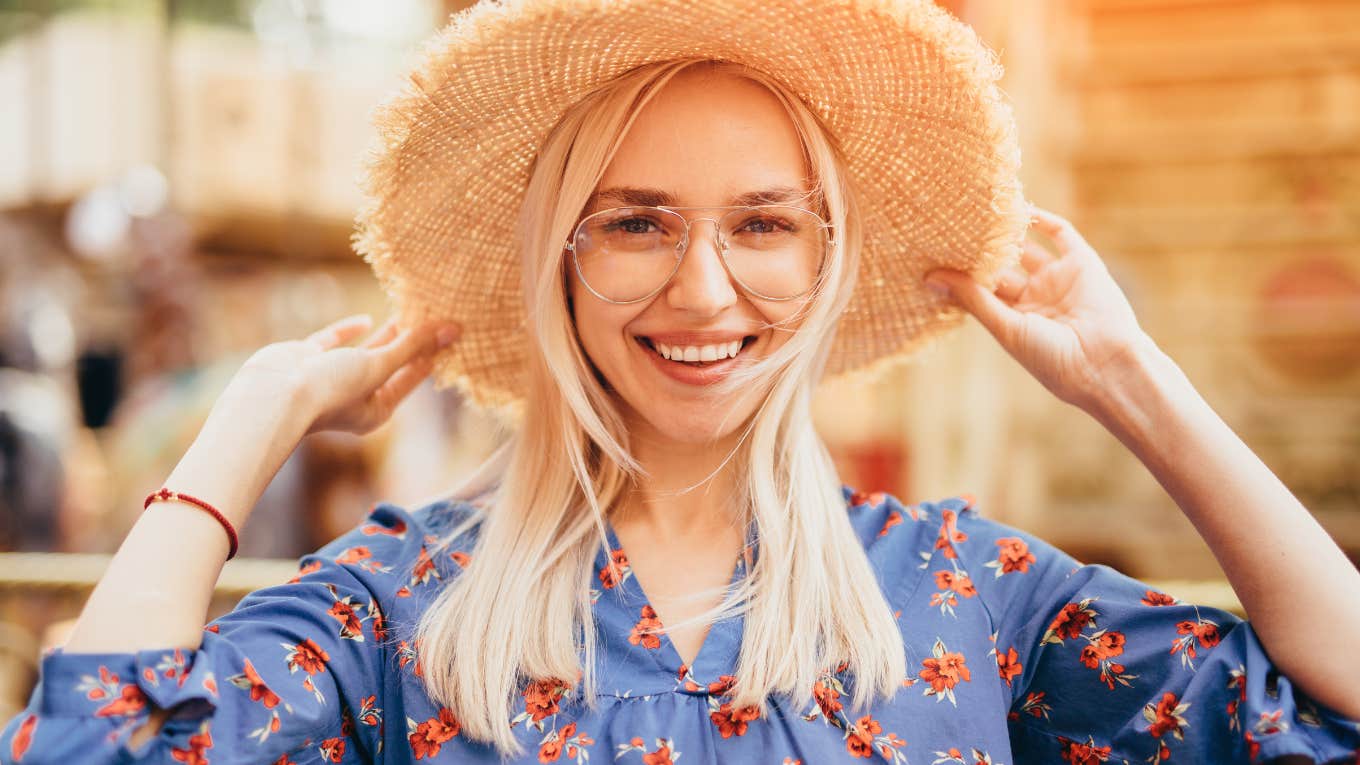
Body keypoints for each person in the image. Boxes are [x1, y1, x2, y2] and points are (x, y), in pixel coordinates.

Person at [3, 1, 1358, 763]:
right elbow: (89, 754)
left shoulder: (964, 592)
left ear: (826, 256)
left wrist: (1131, 378)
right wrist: (254, 417)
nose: (704, 291)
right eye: (638, 221)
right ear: (562, 260)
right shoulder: (400, 602)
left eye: (763, 224)